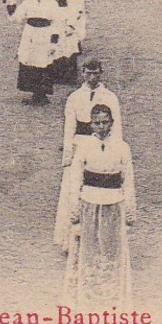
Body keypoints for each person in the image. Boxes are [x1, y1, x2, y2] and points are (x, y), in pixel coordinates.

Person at [62, 104, 135, 303]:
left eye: (105, 122)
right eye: (97, 123)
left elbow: (128, 180)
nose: (102, 127)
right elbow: (76, 179)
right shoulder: (84, 147)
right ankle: (88, 296)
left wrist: (129, 213)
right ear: (91, 125)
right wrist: (75, 213)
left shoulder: (122, 147)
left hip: (114, 205)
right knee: (90, 251)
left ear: (112, 123)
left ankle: (112, 294)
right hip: (89, 204)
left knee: (112, 252)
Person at [55, 60, 121, 249]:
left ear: (101, 74)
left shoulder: (110, 97)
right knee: (74, 190)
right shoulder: (74, 97)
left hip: (101, 145)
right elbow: (69, 128)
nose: (92, 78)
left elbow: (116, 127)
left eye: (96, 74)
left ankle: (100, 239)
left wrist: (113, 150)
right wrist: (68, 153)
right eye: (88, 73)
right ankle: (71, 239)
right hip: (79, 145)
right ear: (82, 73)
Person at [7, 0, 62, 104]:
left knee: (43, 63)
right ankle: (34, 93)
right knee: (29, 62)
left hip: (44, 34)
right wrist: (10, 8)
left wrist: (54, 41)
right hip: (30, 34)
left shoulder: (52, 3)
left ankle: (42, 94)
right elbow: (17, 18)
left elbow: (58, 23)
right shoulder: (28, 2)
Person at [46, 0, 83, 88]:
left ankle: (70, 76)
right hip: (53, 13)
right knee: (55, 42)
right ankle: (56, 74)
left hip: (65, 11)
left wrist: (72, 19)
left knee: (68, 43)